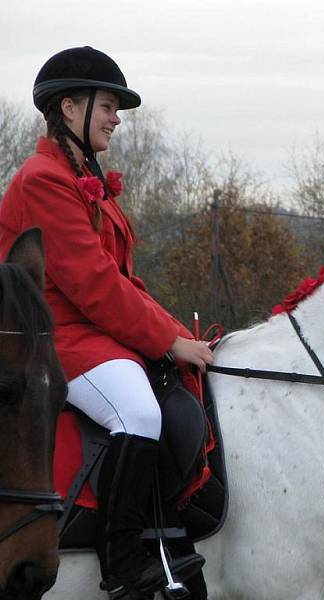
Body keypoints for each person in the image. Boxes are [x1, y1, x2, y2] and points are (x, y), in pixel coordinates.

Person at [0, 47, 213, 598]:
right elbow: (92, 283)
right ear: (69, 108)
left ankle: (166, 538)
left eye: (117, 108)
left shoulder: (83, 180)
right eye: (109, 106)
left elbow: (125, 283)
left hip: (96, 333)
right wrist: (166, 339)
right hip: (57, 340)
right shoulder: (42, 180)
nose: (116, 118)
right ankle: (123, 564)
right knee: (138, 410)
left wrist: (180, 337)